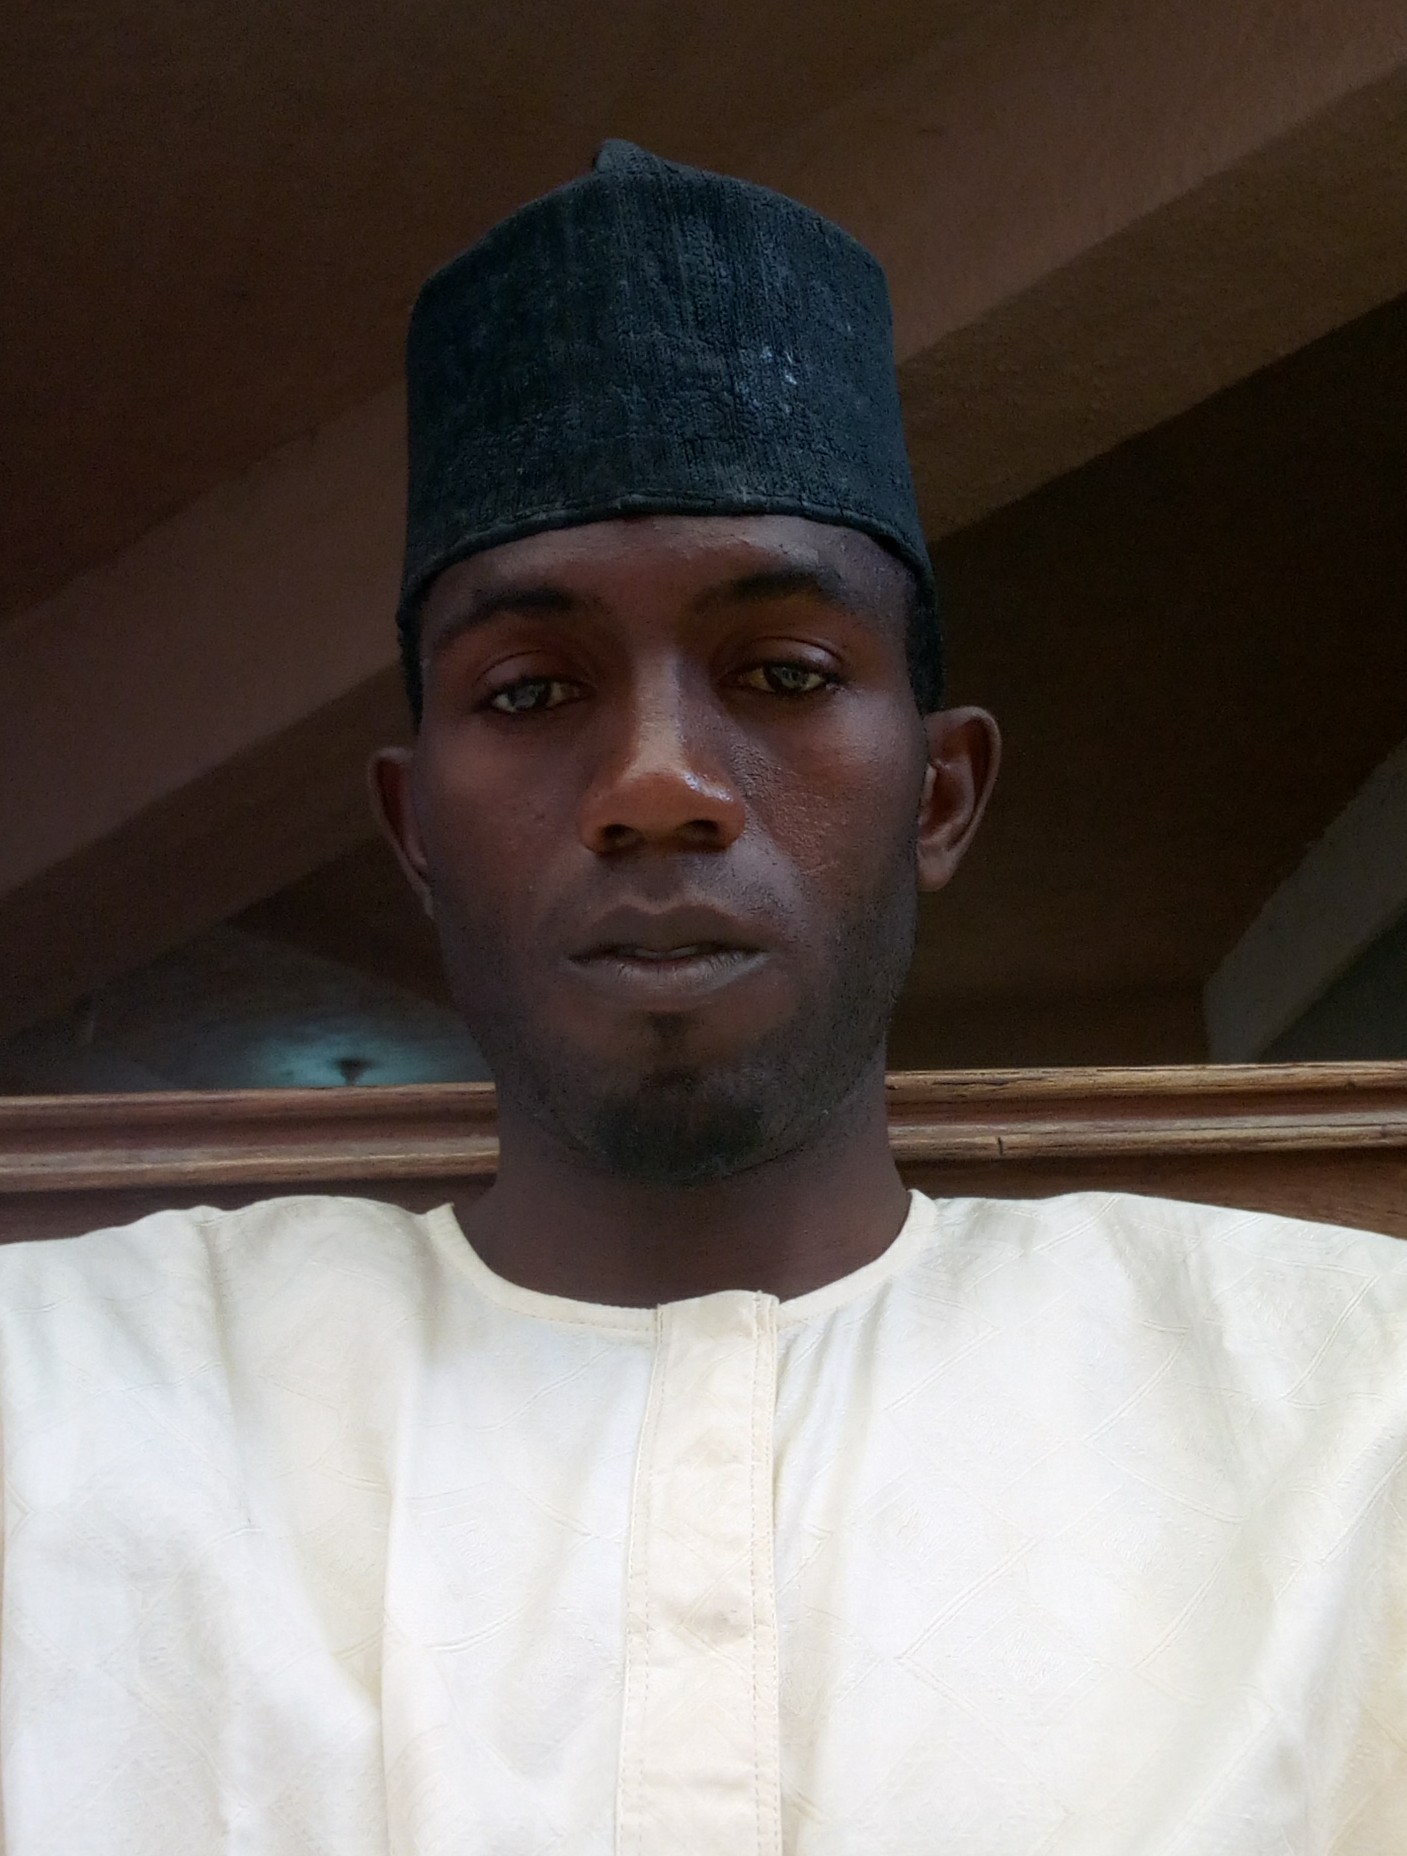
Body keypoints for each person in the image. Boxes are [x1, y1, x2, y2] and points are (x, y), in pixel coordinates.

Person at [1, 142, 1404, 1855]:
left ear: (940, 793)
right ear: (415, 829)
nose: (658, 784)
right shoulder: (56, 1406)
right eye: (532, 692)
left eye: (785, 673)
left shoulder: (1350, 1415)